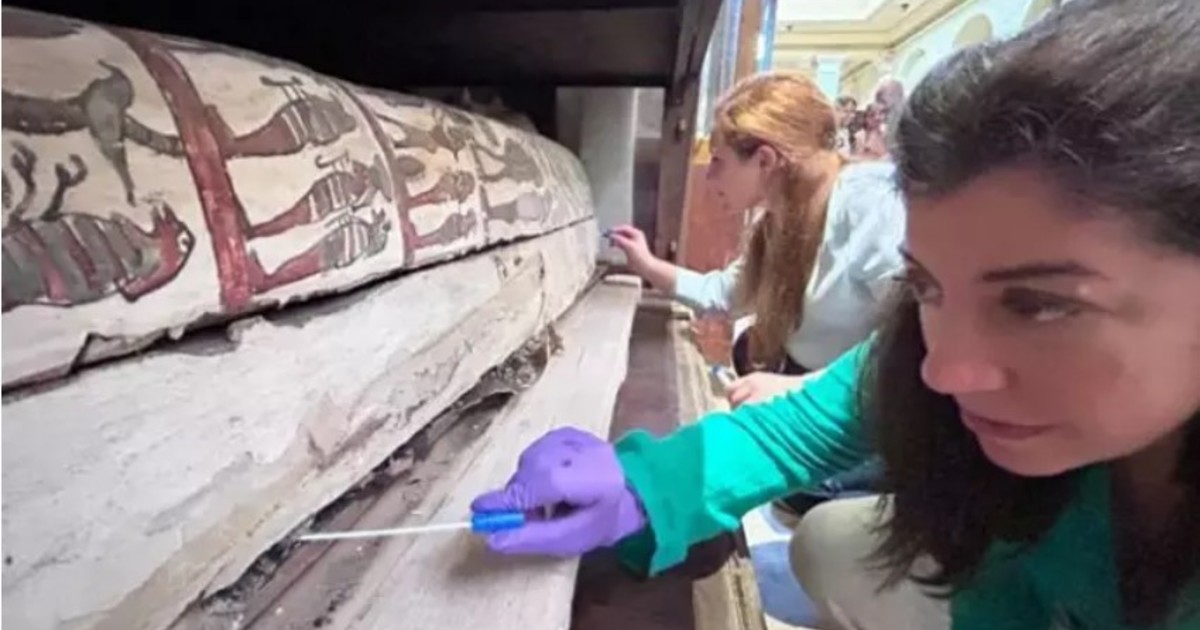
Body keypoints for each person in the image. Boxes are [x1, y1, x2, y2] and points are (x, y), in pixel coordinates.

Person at [473, 1, 1200, 628]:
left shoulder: (862, 210)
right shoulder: (887, 321)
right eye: (926, 287)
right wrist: (639, 488)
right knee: (833, 543)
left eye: (1039, 304)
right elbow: (800, 427)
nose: (943, 371)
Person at [607, 71, 905, 408]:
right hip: (815, 393)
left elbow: (912, 341)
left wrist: (801, 387)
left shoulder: (870, 204)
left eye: (718, 160)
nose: (710, 176)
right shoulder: (779, 222)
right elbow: (721, 294)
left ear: (764, 160)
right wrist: (646, 263)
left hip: (863, 407)